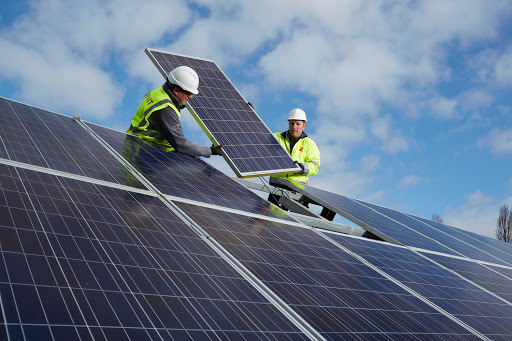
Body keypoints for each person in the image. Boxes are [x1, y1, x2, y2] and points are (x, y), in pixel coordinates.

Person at [127, 65, 222, 157]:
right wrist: (209, 151)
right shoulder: (165, 108)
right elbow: (180, 144)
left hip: (136, 144)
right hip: (143, 152)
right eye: (188, 93)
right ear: (176, 90)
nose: (191, 97)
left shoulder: (158, 93)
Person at [268, 108, 320, 207]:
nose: (294, 127)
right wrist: (249, 116)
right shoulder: (277, 138)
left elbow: (315, 166)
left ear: (303, 126)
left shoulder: (309, 144)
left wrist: (300, 168)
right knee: (271, 219)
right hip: (276, 188)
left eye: (297, 124)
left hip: (297, 192)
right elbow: (259, 137)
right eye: (292, 123)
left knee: (297, 221)